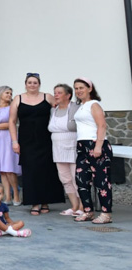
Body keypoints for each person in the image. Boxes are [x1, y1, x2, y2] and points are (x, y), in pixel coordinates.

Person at [9, 73, 64, 216]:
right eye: (29, 82)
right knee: (30, 171)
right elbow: (12, 121)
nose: (32, 85)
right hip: (26, 141)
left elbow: (61, 108)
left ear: (39, 84)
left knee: (46, 170)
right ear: (25, 84)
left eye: (35, 82)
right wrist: (15, 141)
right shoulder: (18, 99)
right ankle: (34, 202)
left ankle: (45, 201)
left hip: (46, 140)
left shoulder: (47, 97)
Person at [73, 78, 113, 224]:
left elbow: (102, 126)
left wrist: (98, 146)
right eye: (76, 88)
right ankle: (88, 211)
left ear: (90, 89)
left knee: (101, 181)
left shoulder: (94, 104)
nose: (78, 91)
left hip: (96, 144)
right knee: (81, 179)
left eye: (81, 87)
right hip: (82, 146)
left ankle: (106, 213)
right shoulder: (81, 106)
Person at [49, 83, 83, 216]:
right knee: (65, 178)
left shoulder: (76, 108)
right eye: (55, 92)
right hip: (58, 148)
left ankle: (82, 205)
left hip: (73, 147)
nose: (55, 95)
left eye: (59, 93)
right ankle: (74, 206)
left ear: (68, 95)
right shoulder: (53, 110)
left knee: (76, 178)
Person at [0, 86, 21, 205]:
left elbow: (10, 124)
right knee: (2, 170)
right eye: (7, 93)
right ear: (0, 94)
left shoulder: (12, 108)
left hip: (8, 139)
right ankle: (7, 197)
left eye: (11, 93)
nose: (9, 95)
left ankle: (16, 194)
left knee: (9, 169)